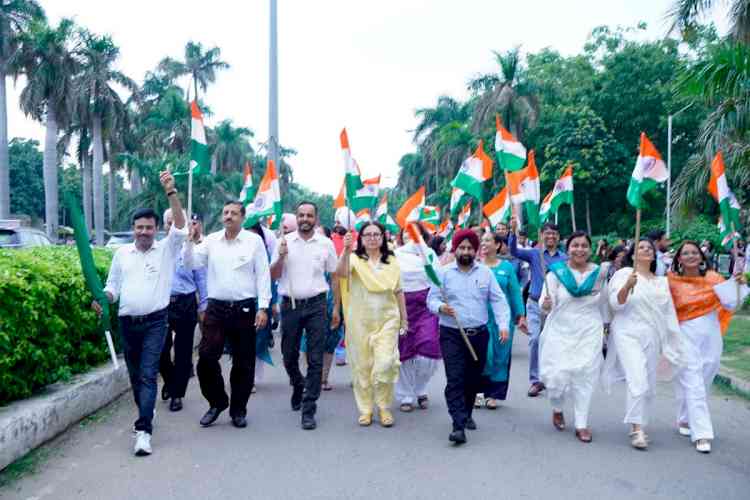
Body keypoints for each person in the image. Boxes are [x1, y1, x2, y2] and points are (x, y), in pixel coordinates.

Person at [93, 171, 187, 456]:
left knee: (147, 375)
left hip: (156, 322)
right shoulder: (122, 254)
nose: (144, 231)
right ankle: (147, 412)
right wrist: (104, 298)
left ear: (157, 228)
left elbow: (181, 225)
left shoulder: (167, 250)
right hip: (127, 323)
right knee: (136, 377)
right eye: (139, 227)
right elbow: (113, 287)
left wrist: (171, 191)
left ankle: (143, 430)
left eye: (148, 227)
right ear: (133, 229)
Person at [183, 201, 271, 429]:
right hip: (216, 309)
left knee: (244, 363)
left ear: (242, 217)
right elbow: (191, 263)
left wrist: (263, 307)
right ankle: (217, 401)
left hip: (245, 309)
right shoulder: (211, 240)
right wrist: (189, 241)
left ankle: (238, 409)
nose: (229, 216)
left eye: (233, 213)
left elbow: (262, 274)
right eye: (225, 212)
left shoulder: (254, 241)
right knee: (205, 358)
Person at [427, 229, 510, 445]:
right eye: (461, 247)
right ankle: (458, 425)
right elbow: (431, 300)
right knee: (455, 378)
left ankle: (467, 411)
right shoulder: (443, 273)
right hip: (452, 334)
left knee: (473, 380)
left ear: (475, 250)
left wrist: (503, 325)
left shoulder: (485, 273)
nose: (465, 251)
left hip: (478, 334)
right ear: (455, 250)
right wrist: (441, 307)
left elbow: (498, 300)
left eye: (469, 248)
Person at [604, 238, 684, 450]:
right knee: (637, 376)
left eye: (650, 248)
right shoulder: (624, 274)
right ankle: (638, 430)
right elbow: (615, 304)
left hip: (651, 334)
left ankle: (636, 422)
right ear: (633, 253)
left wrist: (673, 340)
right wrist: (627, 287)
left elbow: (668, 314)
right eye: (641, 247)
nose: (646, 250)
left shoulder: (661, 282)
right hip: (627, 331)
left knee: (647, 382)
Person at [668, 241, 747, 453]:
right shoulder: (672, 282)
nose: (691, 256)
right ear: (679, 259)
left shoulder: (713, 278)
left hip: (711, 336)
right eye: (686, 253)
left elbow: (730, 304)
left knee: (703, 378)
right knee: (693, 380)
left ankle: (684, 419)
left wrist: (737, 284)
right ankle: (702, 433)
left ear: (702, 257)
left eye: (695, 252)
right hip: (684, 335)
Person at [271, 201, 339, 430]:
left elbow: (335, 275)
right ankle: (298, 384)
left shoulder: (326, 244)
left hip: (317, 305)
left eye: (309, 215)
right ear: (297, 218)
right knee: (289, 355)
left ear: (316, 219)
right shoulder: (284, 241)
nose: (305, 219)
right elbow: (273, 275)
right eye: (301, 215)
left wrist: (337, 308)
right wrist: (280, 257)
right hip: (290, 305)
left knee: (315, 358)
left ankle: (309, 408)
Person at [539, 231, 609, 443]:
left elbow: (605, 303)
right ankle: (557, 407)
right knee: (556, 377)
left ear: (590, 249)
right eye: (575, 245)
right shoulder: (556, 273)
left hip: (589, 330)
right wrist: (546, 304)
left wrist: (607, 327)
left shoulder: (599, 274)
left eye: (584, 246)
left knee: (585, 376)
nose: (579, 249)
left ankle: (581, 423)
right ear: (567, 249)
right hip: (560, 330)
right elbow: (544, 303)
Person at [336, 221, 406, 427]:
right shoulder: (355, 259)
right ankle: (366, 409)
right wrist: (346, 251)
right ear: (362, 238)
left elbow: (398, 290)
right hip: (360, 321)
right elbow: (340, 273)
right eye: (368, 235)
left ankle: (384, 406)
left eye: (377, 234)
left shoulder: (392, 260)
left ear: (383, 237)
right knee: (362, 367)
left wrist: (405, 318)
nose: (373, 238)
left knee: (385, 363)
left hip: (388, 319)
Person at [509, 217, 567, 397]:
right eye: (547, 233)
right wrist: (513, 232)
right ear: (541, 235)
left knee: (554, 343)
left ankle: (553, 377)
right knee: (535, 340)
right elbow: (514, 251)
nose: (551, 237)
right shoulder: (535, 254)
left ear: (559, 237)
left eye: (554, 234)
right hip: (534, 304)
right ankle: (535, 380)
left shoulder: (565, 258)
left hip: (556, 307)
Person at [159, 208, 207, 413]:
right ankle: (169, 381)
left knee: (183, 351)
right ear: (164, 226)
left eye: (175, 222)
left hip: (186, 303)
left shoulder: (192, 249)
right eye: (168, 222)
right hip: (161, 303)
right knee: (161, 348)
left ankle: (177, 394)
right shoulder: (158, 248)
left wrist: (204, 305)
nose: (172, 226)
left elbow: (201, 280)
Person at [394, 223, 441, 412]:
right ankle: (406, 394)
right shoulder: (395, 255)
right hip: (402, 305)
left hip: (426, 305)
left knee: (428, 349)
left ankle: (421, 386)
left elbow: (438, 278)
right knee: (404, 351)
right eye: (406, 232)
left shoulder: (429, 254)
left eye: (414, 232)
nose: (409, 235)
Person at [476, 232, 526, 409]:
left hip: (503, 321)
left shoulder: (507, 267)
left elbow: (514, 293)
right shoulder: (476, 267)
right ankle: (478, 392)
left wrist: (520, 315)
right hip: (480, 319)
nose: (484, 243)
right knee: (483, 355)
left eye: (488, 240)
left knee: (500, 356)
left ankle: (493, 395)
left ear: (497, 245)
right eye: (482, 241)